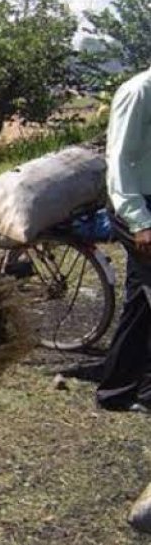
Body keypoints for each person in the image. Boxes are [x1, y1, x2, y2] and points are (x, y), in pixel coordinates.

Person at [97, 68, 151, 413]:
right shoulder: (139, 92)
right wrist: (140, 222)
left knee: (142, 302)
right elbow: (119, 161)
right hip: (137, 205)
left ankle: (118, 390)